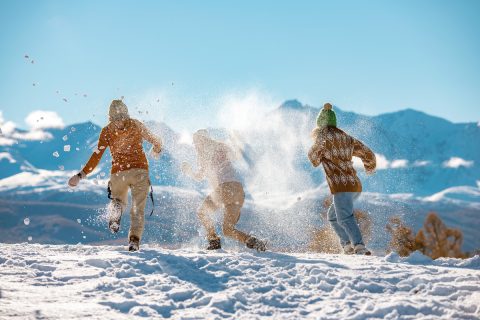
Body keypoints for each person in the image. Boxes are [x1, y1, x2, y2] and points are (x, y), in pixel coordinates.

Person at [68, 99, 162, 251]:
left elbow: (96, 156)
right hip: (139, 171)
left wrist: (80, 175)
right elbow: (156, 141)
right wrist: (156, 150)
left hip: (119, 174)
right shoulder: (136, 124)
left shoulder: (107, 130)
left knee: (118, 200)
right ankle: (134, 241)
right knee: (138, 208)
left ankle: (116, 209)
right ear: (126, 113)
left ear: (110, 116)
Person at [308, 103, 376, 255]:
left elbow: (313, 159)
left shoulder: (322, 139)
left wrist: (319, 148)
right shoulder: (347, 138)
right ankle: (347, 246)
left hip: (341, 186)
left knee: (344, 217)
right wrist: (369, 167)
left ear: (320, 125)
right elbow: (368, 153)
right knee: (333, 217)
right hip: (354, 185)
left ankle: (359, 246)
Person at [182, 129, 266, 251]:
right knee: (228, 230)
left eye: (196, 142)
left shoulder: (204, 154)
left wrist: (189, 171)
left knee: (202, 212)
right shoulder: (221, 146)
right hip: (238, 191)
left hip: (224, 189)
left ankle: (214, 240)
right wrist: (236, 140)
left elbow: (200, 176)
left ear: (201, 140)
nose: (195, 145)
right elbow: (236, 155)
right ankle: (254, 242)